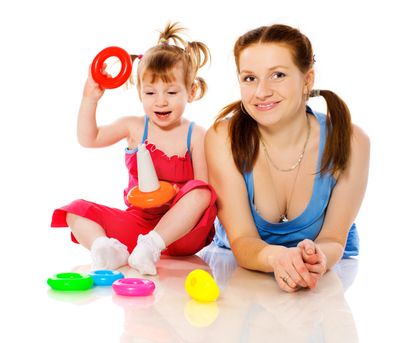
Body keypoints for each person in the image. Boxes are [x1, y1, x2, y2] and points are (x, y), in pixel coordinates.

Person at [205, 24, 369, 293]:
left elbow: (333, 239)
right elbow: (243, 239)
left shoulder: (352, 142)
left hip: (325, 285)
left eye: (277, 75)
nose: (261, 92)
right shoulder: (222, 138)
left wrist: (318, 258)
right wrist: (278, 258)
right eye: (249, 78)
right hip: (238, 278)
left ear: (308, 79)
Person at [51, 23, 217, 275]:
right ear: (139, 92)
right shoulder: (134, 127)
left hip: (182, 234)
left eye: (171, 92)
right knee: (75, 211)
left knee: (201, 192)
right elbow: (90, 138)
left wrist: (175, 192)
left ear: (191, 92)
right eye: (150, 92)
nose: (160, 100)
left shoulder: (197, 135)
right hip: (139, 224)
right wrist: (90, 98)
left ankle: (153, 245)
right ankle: (106, 250)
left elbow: (202, 187)